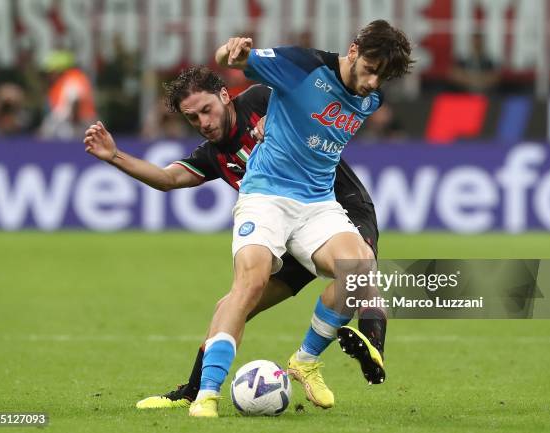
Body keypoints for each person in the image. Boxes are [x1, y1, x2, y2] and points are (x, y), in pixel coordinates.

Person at [83, 66, 387, 410]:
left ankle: (357, 348)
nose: (203, 122)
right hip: (282, 229)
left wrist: (276, 116)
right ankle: (195, 392)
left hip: (336, 205)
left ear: (225, 96)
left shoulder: (258, 99)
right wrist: (114, 156)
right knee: (234, 304)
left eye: (206, 110)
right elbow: (168, 178)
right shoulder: (214, 154)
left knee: (360, 272)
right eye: (192, 118)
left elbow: (310, 100)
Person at [187, 19, 413, 417]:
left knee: (359, 271)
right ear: (354, 50)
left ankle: (305, 360)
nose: (374, 83)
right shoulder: (303, 66)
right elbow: (231, 60)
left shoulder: (370, 99)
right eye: (371, 70)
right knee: (251, 283)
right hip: (266, 196)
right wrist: (230, 53)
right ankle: (206, 394)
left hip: (317, 204)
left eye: (384, 76)